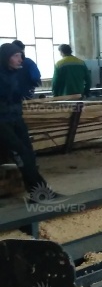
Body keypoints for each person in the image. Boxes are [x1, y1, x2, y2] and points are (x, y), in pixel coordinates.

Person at [0, 43, 54, 201]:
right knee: (21, 153)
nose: (20, 59)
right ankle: (40, 192)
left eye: (20, 56)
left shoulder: (15, 74)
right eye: (16, 56)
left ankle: (40, 191)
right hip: (2, 122)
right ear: (6, 58)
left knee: (29, 153)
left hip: (16, 118)